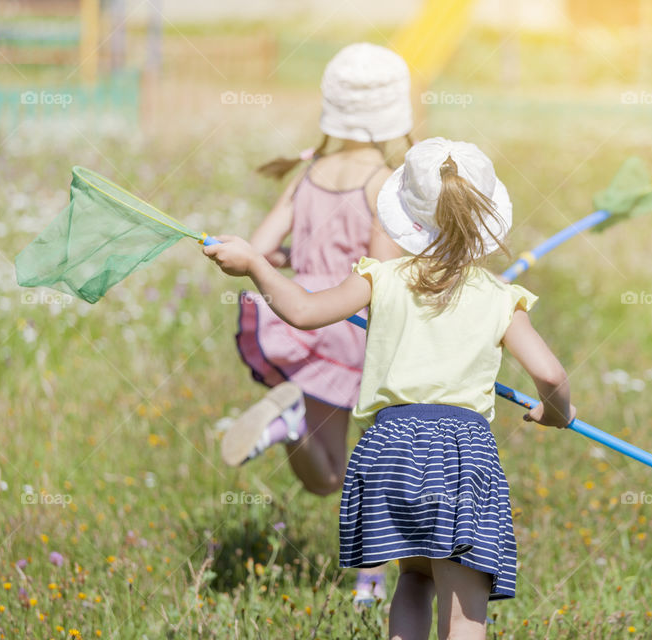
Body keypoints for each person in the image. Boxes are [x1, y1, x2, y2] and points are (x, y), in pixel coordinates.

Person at [205, 137, 576, 639]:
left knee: (415, 580)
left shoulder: (381, 278)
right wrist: (556, 413)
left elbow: (304, 311)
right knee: (464, 610)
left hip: (389, 449)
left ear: (408, 217)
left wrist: (256, 264)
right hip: (459, 454)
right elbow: (551, 376)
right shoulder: (500, 297)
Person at [224, 42, 412, 604]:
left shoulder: (308, 171)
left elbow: (258, 249)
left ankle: (288, 421)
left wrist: (287, 262)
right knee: (372, 469)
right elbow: (379, 278)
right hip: (349, 329)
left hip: (294, 317)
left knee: (328, 476)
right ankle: (369, 582)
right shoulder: (383, 183)